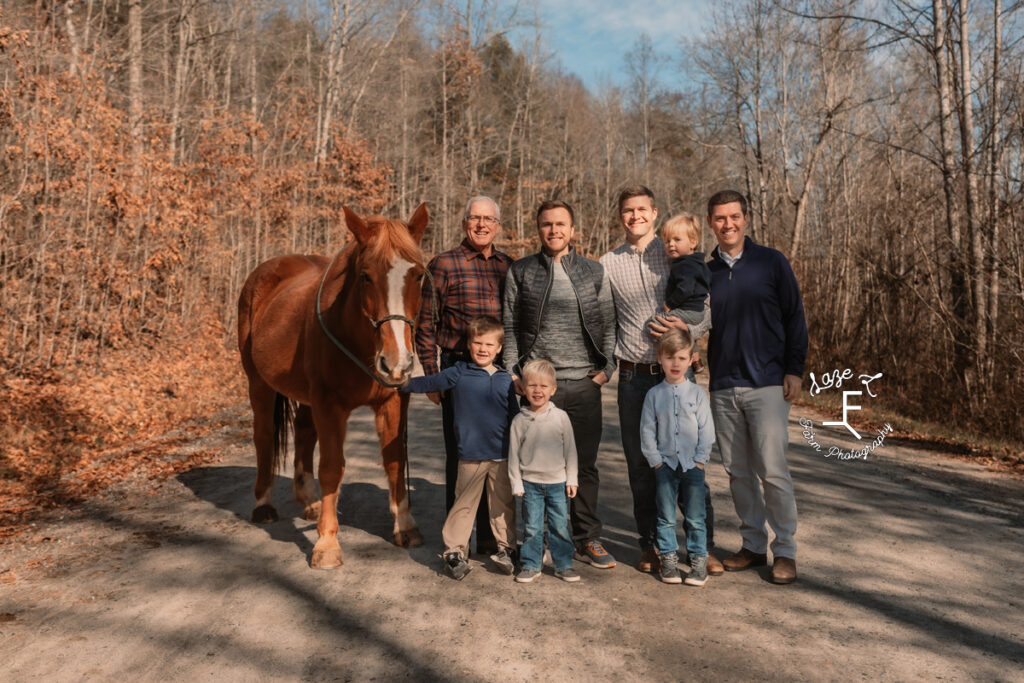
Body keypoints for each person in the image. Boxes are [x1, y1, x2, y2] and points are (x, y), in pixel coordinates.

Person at [600, 186, 723, 576]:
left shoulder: (674, 249)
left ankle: (704, 547)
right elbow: (605, 322)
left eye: (641, 209)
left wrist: (684, 323)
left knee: (690, 462)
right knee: (642, 465)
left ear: (654, 212)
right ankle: (650, 544)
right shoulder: (607, 263)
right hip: (634, 378)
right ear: (620, 216)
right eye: (627, 211)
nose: (634, 216)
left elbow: (704, 311)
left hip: (675, 376)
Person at [502, 200, 618, 569]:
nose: (554, 230)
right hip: (537, 387)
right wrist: (514, 373)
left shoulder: (592, 271)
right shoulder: (522, 271)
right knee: (535, 466)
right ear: (538, 229)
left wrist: (607, 369)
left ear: (573, 229)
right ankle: (539, 540)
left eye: (561, 224)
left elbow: (609, 322)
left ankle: (587, 538)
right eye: (547, 224)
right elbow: (508, 326)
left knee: (583, 465)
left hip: (583, 382)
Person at [705, 189, 808, 585]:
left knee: (773, 469)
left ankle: (785, 550)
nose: (727, 224)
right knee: (737, 471)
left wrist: (794, 369)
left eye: (734, 216)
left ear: (746, 218)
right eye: (719, 218)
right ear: (711, 223)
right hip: (723, 385)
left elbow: (794, 317)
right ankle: (752, 544)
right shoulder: (706, 270)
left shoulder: (771, 262)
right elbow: (697, 321)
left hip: (766, 382)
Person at [415, 196, 512, 556]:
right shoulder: (443, 264)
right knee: (462, 454)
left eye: (489, 219)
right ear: (464, 223)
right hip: (458, 367)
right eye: (475, 218)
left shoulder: (508, 266)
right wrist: (431, 373)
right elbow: (425, 323)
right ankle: (457, 543)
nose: (482, 225)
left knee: (497, 454)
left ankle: (491, 539)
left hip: (497, 370)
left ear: (498, 226)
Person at [401, 316, 519, 580]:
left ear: (499, 348)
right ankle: (454, 552)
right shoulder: (458, 372)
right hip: (470, 456)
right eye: (477, 342)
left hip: (502, 456)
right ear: (469, 344)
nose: (483, 349)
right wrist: (401, 383)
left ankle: (507, 548)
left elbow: (516, 416)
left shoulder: (505, 380)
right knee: (463, 505)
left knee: (503, 505)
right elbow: (428, 383)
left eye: (489, 344)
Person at [640, 329, 715, 586]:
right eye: (670, 357)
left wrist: (700, 459)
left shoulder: (697, 394)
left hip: (692, 465)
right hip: (665, 465)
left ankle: (697, 561)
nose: (675, 363)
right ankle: (669, 559)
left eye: (682, 358)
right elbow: (647, 430)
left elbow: (707, 429)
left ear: (691, 359)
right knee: (666, 516)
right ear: (660, 358)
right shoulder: (654, 395)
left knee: (695, 517)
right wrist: (656, 461)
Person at [508, 360, 580, 583]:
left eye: (543, 386)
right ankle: (531, 564)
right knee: (532, 527)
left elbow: (571, 451)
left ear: (553, 390)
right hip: (530, 484)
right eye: (532, 386)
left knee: (559, 525)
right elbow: (513, 455)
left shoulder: (561, 418)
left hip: (558, 483)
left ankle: (564, 564)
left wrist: (572, 479)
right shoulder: (519, 421)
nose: (537, 391)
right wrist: (516, 483)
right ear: (523, 387)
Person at [645, 213, 711, 372]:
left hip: (688, 310)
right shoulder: (697, 262)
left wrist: (670, 303)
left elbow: (685, 289)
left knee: (652, 324)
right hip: (695, 310)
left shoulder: (685, 265)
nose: (670, 244)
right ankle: (695, 358)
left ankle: (671, 354)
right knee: (675, 329)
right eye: (667, 241)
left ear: (693, 242)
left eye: (677, 240)